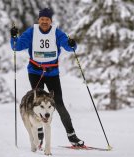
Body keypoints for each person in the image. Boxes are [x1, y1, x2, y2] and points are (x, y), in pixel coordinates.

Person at [10, 8, 84, 147]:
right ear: (39, 20)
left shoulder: (57, 32)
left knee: (59, 103)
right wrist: (14, 37)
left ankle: (72, 135)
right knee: (37, 104)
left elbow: (69, 47)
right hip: (35, 72)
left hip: (52, 73)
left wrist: (72, 44)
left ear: (51, 21)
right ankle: (40, 135)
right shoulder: (32, 32)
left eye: (47, 19)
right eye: (42, 19)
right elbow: (17, 46)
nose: (44, 21)